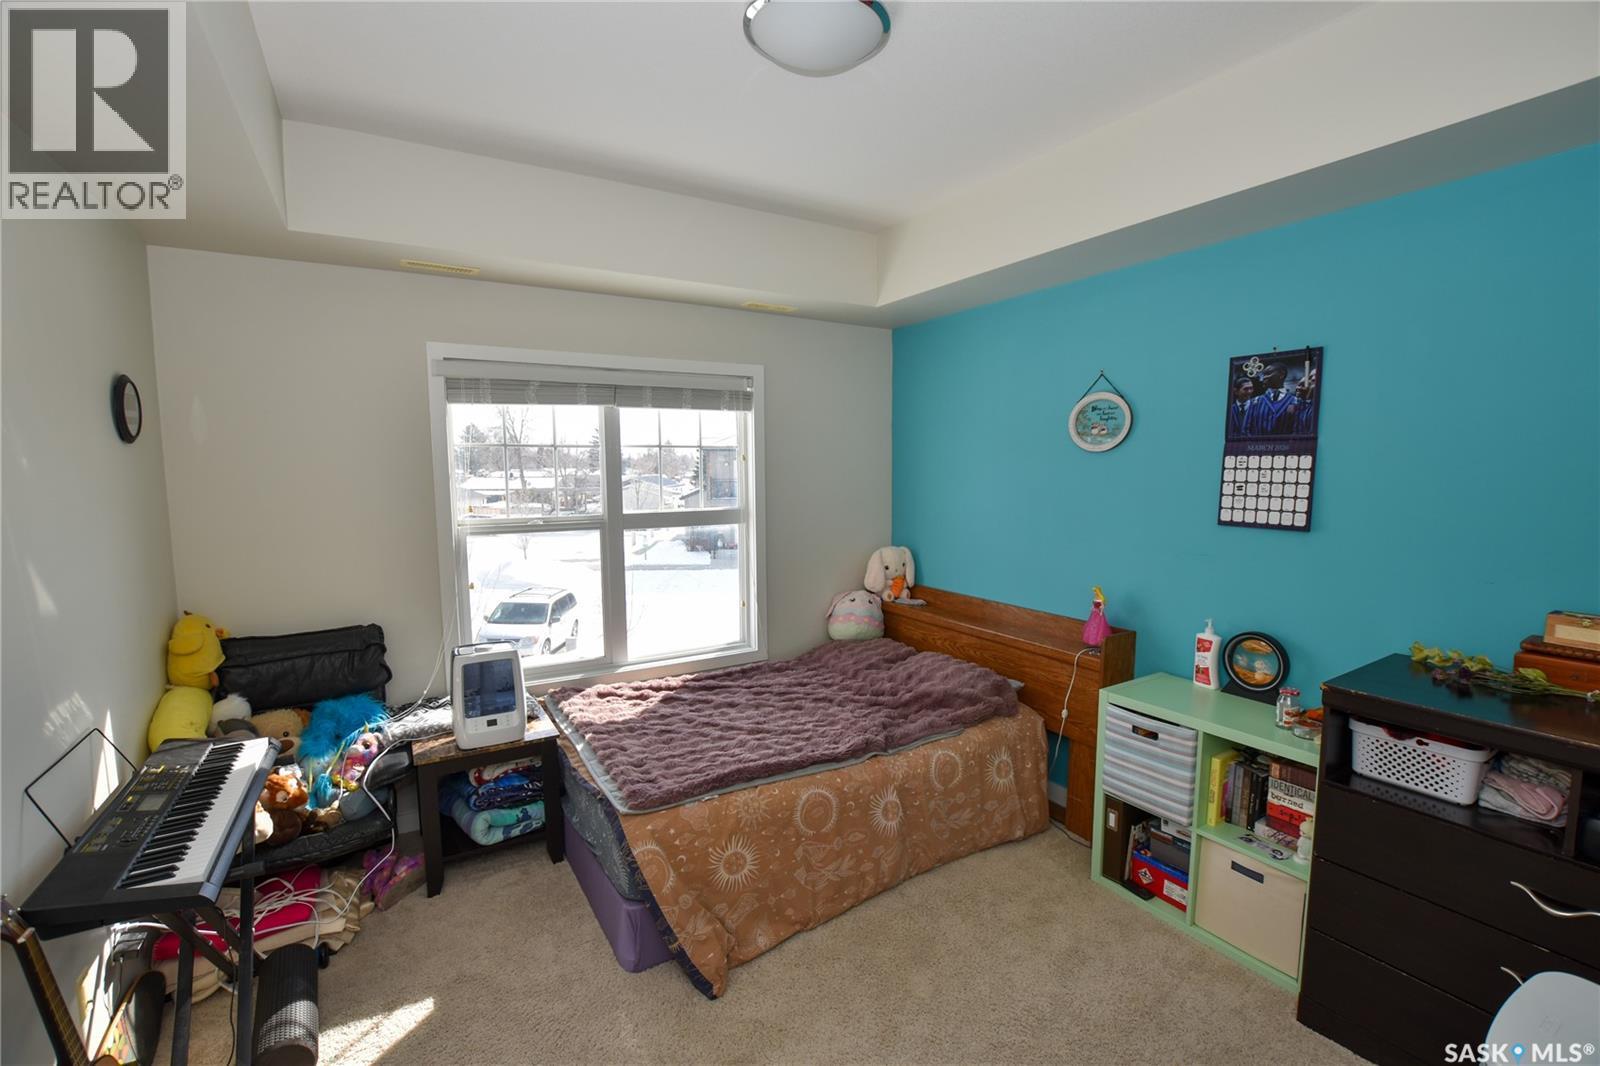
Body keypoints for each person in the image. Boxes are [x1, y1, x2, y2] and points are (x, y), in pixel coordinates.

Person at [1242, 363, 1304, 436]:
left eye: (1268, 373)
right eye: (1263, 375)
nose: (1264, 378)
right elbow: (1245, 430)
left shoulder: (1296, 402)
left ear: (1281, 374)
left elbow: (1298, 431)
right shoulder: (1255, 401)